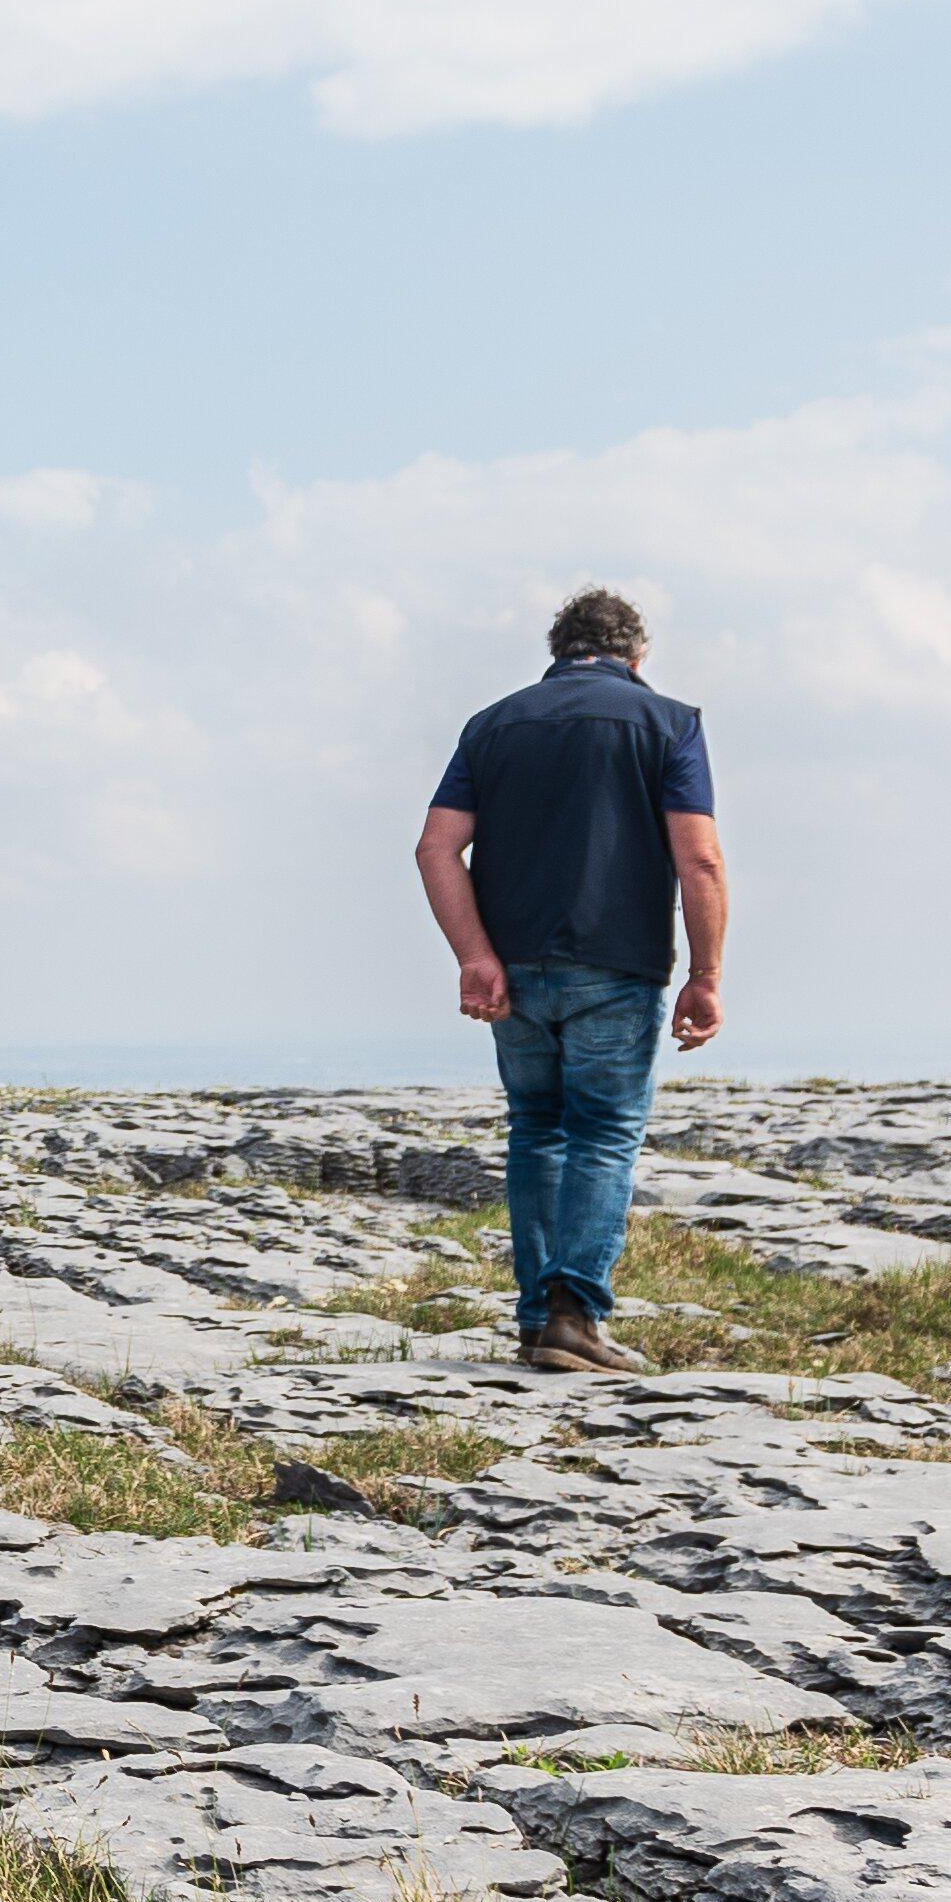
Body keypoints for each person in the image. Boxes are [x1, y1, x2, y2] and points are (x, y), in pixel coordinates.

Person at [416, 588, 726, 1375]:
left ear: (558, 650)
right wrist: (706, 974)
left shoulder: (494, 724)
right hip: (616, 965)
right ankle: (574, 1315)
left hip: (512, 966)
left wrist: (473, 956)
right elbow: (700, 859)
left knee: (537, 1131)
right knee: (603, 1133)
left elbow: (436, 847)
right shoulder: (669, 723)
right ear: (637, 655)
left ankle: (534, 1321)